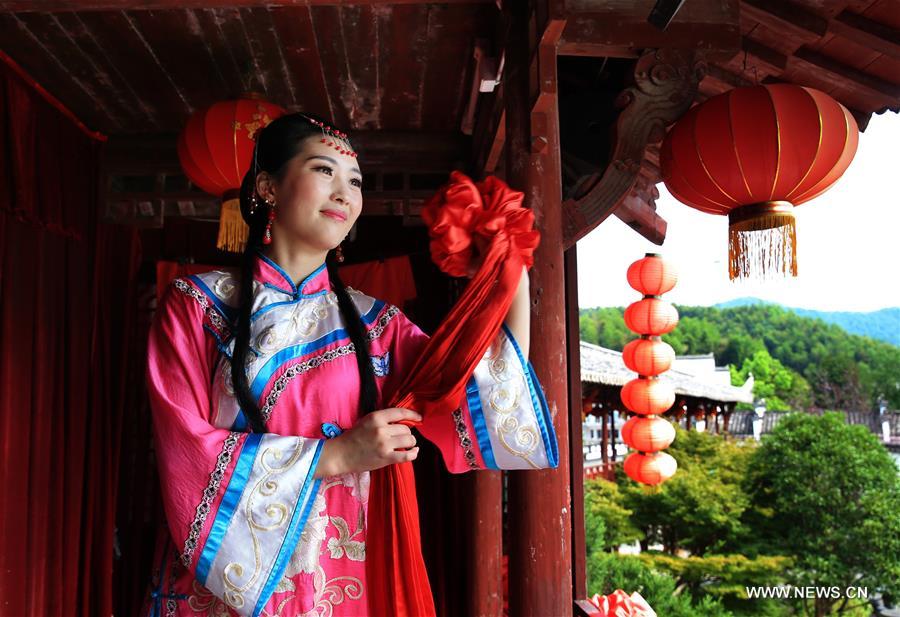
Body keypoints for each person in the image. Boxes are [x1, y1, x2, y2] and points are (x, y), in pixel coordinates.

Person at [144, 112, 558, 617]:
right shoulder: (198, 305)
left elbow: (481, 391)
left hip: (343, 575)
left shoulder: (378, 325)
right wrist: (337, 456)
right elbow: (185, 451)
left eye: (356, 181)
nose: (345, 193)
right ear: (268, 187)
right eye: (324, 170)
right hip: (223, 587)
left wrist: (508, 263)